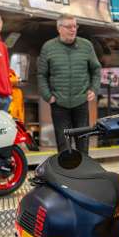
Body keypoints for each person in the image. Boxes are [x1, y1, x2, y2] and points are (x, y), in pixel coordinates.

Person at [38, 14, 101, 153]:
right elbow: (41, 75)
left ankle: (84, 166)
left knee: (83, 142)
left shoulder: (86, 45)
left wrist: (94, 88)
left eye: (75, 26)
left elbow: (96, 69)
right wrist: (48, 96)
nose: (73, 29)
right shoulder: (48, 47)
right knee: (63, 143)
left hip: (81, 101)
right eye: (69, 27)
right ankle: (65, 166)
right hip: (59, 103)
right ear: (59, 28)